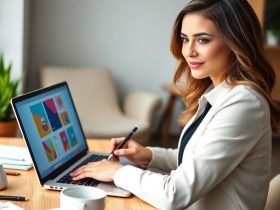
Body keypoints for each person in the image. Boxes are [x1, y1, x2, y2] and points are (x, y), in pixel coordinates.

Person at [71, 0, 280, 209]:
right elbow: (198, 160)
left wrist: (117, 172)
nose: (188, 51)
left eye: (203, 40)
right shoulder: (216, 91)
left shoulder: (244, 104)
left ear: (236, 42)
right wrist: (149, 155)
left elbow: (174, 195)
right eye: (184, 39)